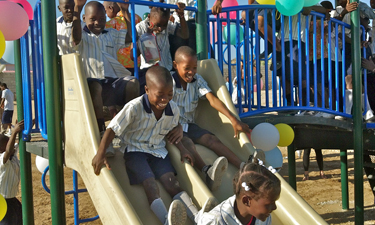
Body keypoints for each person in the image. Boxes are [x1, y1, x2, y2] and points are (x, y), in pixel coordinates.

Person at [92, 66, 217, 224]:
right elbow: (112, 128)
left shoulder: (172, 109)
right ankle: (166, 220)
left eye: (170, 94)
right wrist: (101, 153)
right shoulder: (134, 108)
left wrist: (183, 149)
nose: (164, 99)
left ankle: (198, 216)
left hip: (158, 151)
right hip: (135, 151)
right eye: (160, 95)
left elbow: (172, 131)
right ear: (147, 89)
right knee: (150, 184)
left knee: (172, 182)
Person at [172, 46, 251, 170]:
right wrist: (174, 126)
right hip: (172, 126)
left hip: (189, 125)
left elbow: (212, 100)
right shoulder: (169, 83)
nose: (191, 72)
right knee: (188, 143)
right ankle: (206, 171)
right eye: (187, 68)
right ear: (175, 65)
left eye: (194, 68)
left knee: (211, 139)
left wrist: (233, 119)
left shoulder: (197, 80)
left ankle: (243, 166)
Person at [71, 0, 139, 136]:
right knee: (96, 86)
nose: (97, 22)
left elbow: (133, 37)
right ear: (84, 19)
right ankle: (101, 130)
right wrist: (77, 8)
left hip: (111, 83)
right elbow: (75, 37)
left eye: (102, 19)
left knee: (133, 83)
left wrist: (125, 11)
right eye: (93, 19)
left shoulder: (111, 34)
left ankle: (128, 127)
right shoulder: (81, 35)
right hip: (91, 84)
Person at [195, 160, 281, 225]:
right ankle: (194, 213)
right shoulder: (216, 221)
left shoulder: (264, 218)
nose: (274, 207)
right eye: (269, 204)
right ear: (246, 201)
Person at [132, 3, 189, 94]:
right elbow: (132, 55)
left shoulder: (167, 26)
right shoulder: (140, 28)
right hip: (149, 72)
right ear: (149, 17)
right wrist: (147, 38)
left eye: (164, 25)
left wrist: (181, 15)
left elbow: (184, 35)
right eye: (157, 25)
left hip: (166, 71)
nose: (160, 29)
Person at [104, 1, 142, 118]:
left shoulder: (110, 23)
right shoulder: (136, 17)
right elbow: (134, 37)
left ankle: (117, 113)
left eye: (105, 11)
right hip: (134, 61)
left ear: (110, 8)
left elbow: (130, 38)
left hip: (120, 63)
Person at [0, 120, 24, 225]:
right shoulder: (2, 159)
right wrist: (13, 132)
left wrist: (26, 124)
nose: (13, 144)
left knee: (20, 220)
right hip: (3, 202)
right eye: (8, 142)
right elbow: (8, 150)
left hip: (13, 200)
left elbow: (16, 145)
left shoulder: (12, 155)